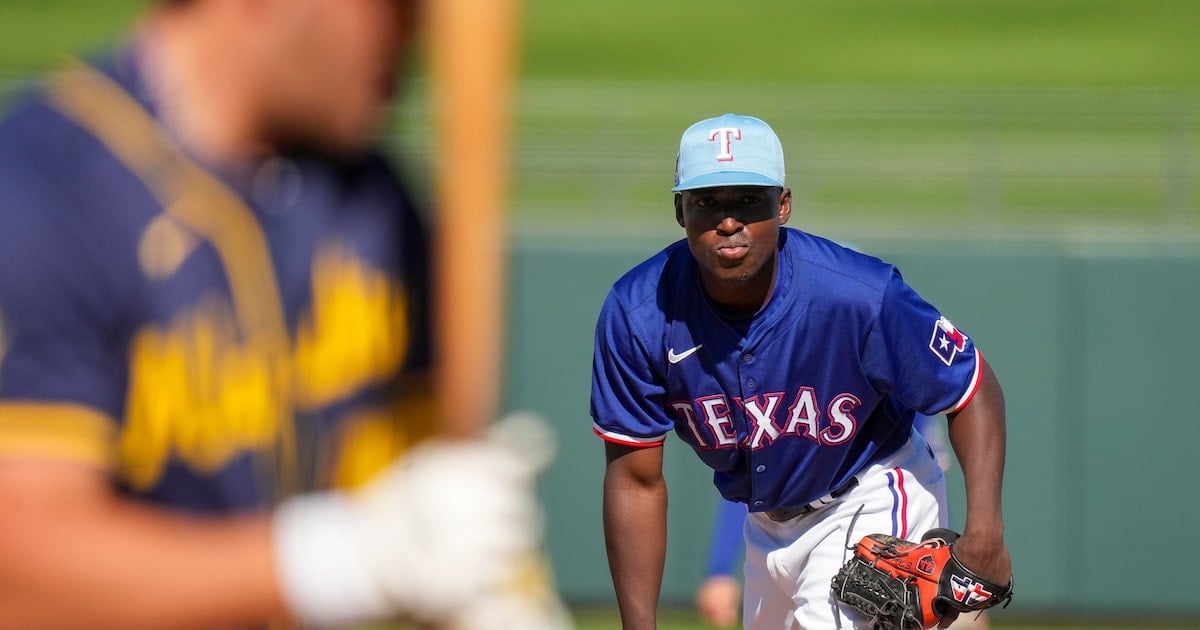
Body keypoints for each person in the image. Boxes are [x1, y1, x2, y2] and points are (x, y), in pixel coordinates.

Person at [0, 1, 553, 628]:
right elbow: (16, 572)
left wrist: (498, 581)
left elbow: (426, 479)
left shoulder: (372, 202)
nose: (418, 36)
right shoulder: (35, 193)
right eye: (395, 6)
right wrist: (339, 562)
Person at [591, 113, 1012, 629]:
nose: (728, 220)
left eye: (749, 200)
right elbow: (635, 481)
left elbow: (970, 385)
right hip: (764, 531)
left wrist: (986, 530)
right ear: (680, 210)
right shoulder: (639, 313)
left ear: (783, 205)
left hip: (871, 498)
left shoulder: (857, 294)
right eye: (707, 202)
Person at [694, 416, 991, 629]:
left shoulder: (886, 354)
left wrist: (955, 558)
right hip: (767, 533)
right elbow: (755, 479)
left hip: (866, 510)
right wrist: (719, 570)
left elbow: (922, 471)